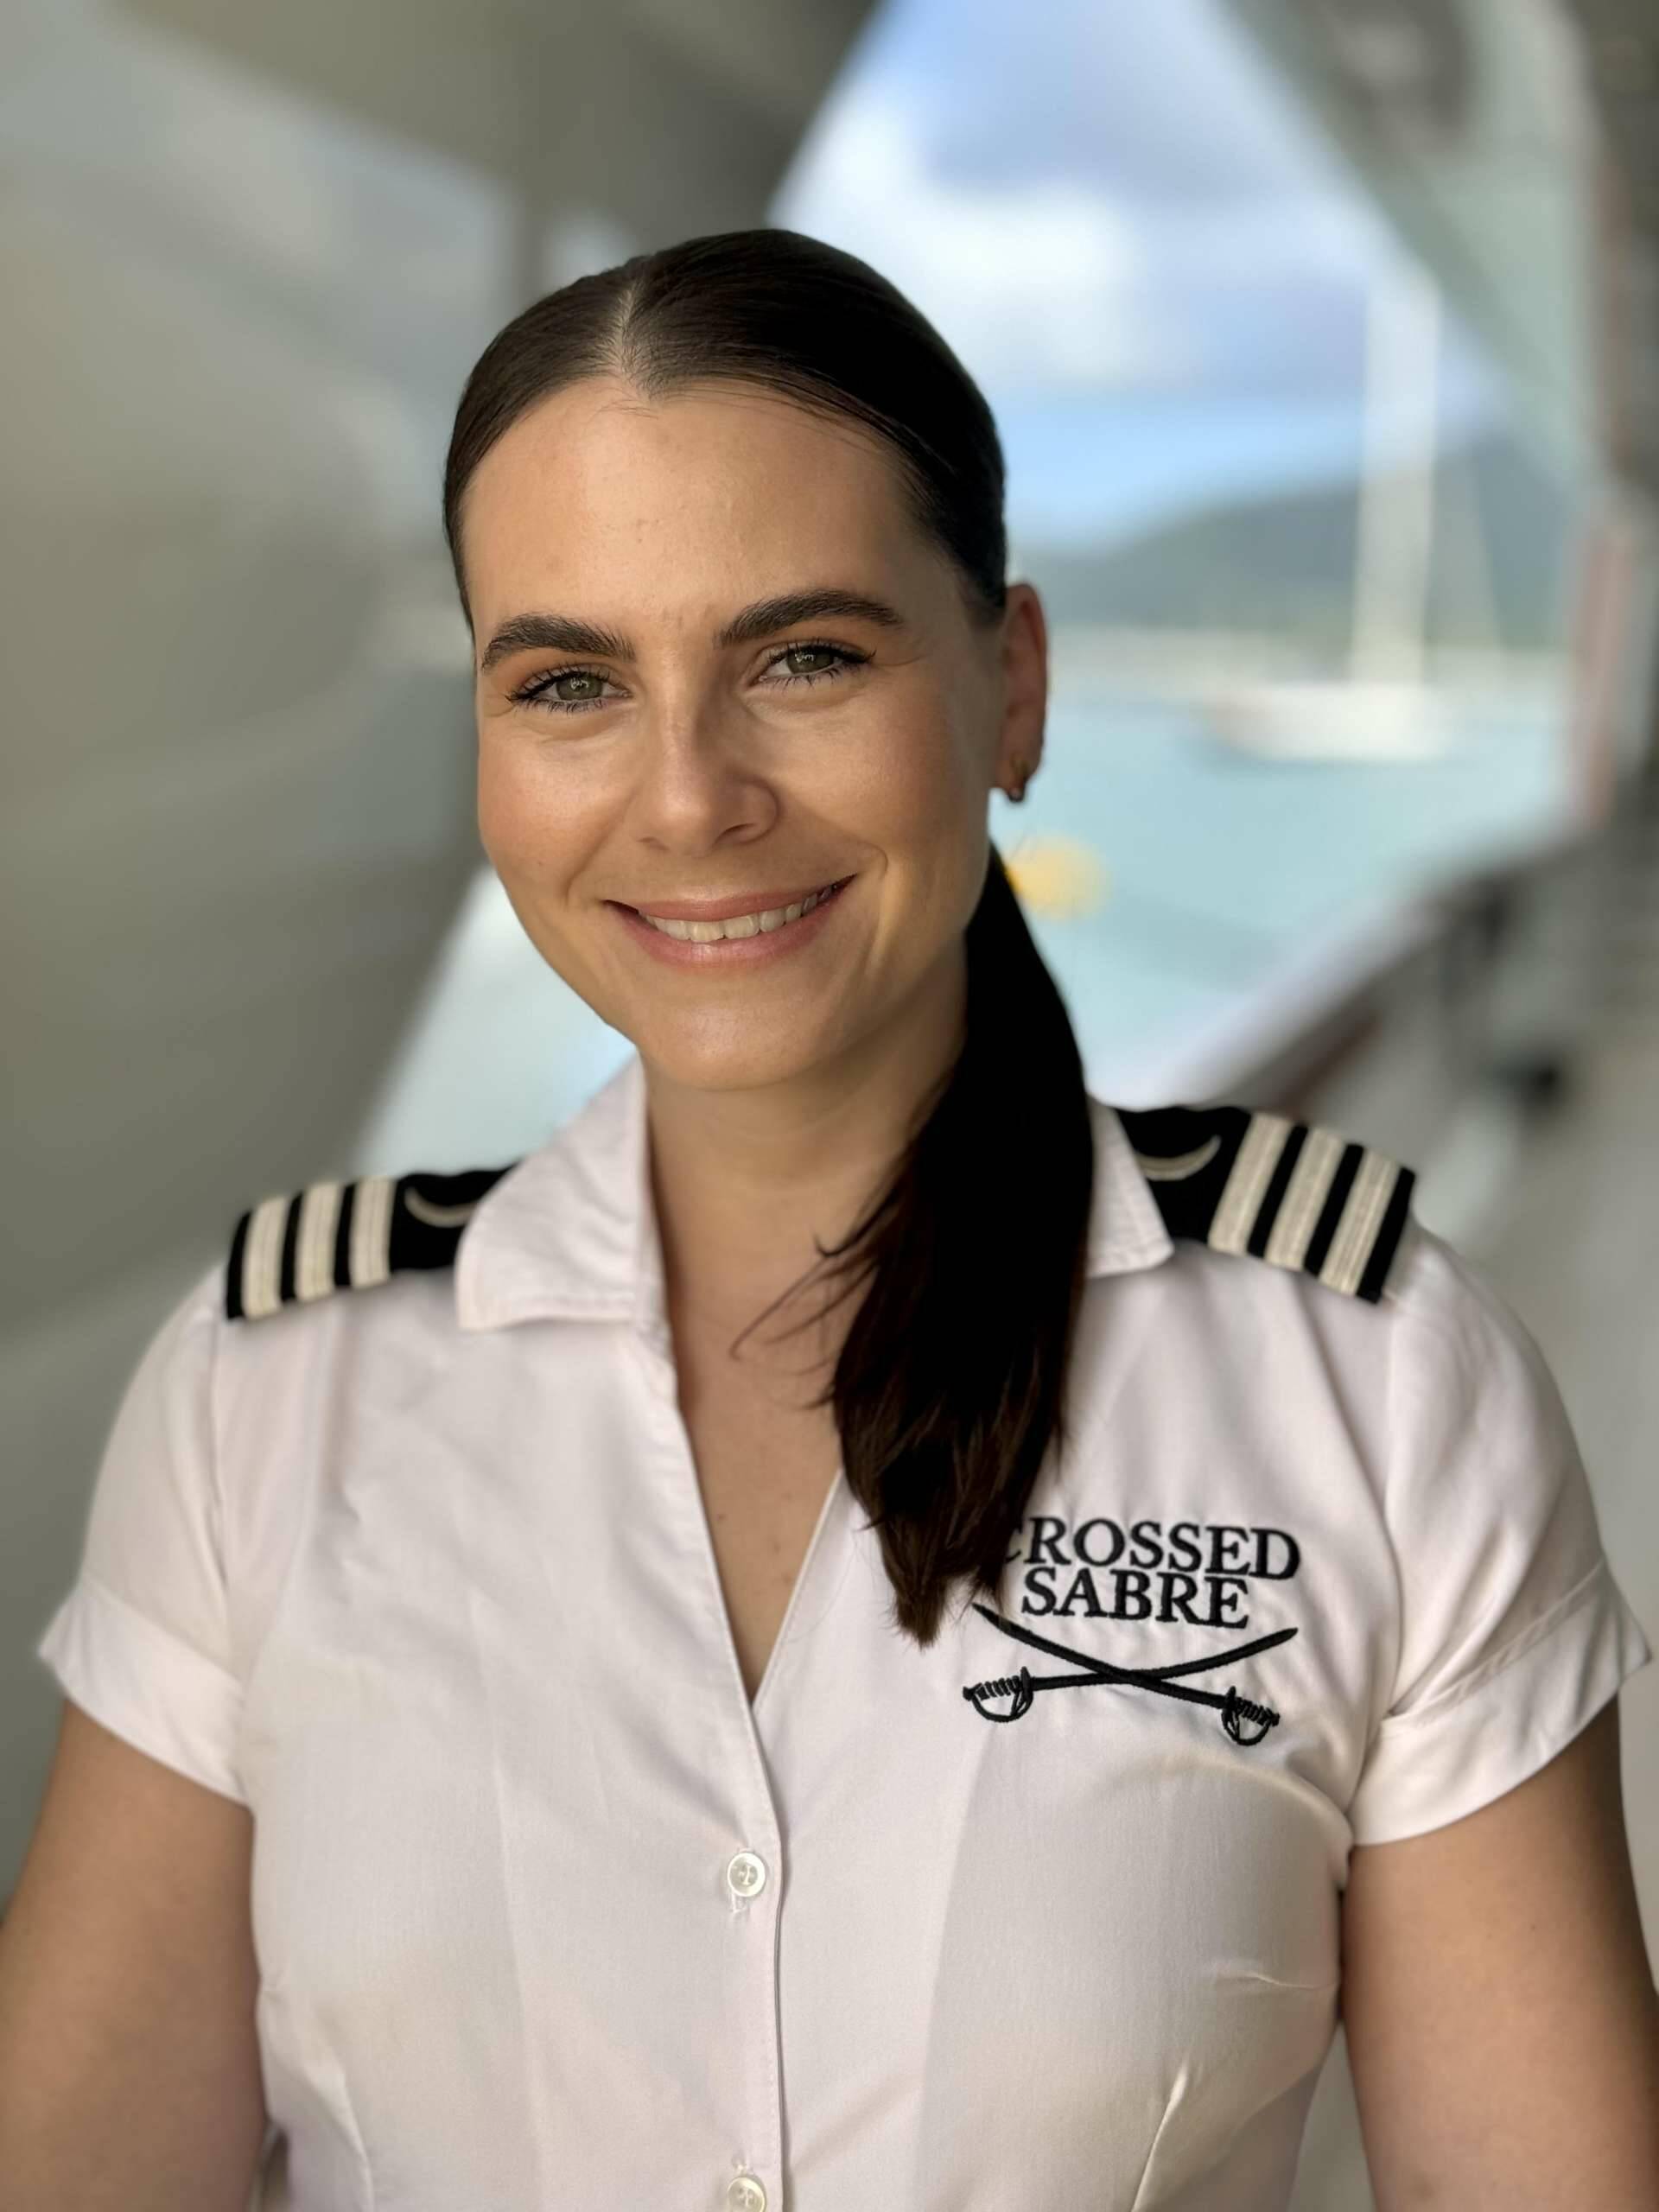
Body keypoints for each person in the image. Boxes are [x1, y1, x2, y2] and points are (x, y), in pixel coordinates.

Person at [3, 227, 1656, 2212]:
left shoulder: (1372, 1383)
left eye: (804, 658)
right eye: (571, 681)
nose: (689, 797)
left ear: (1011, 686)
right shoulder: (270, 1388)